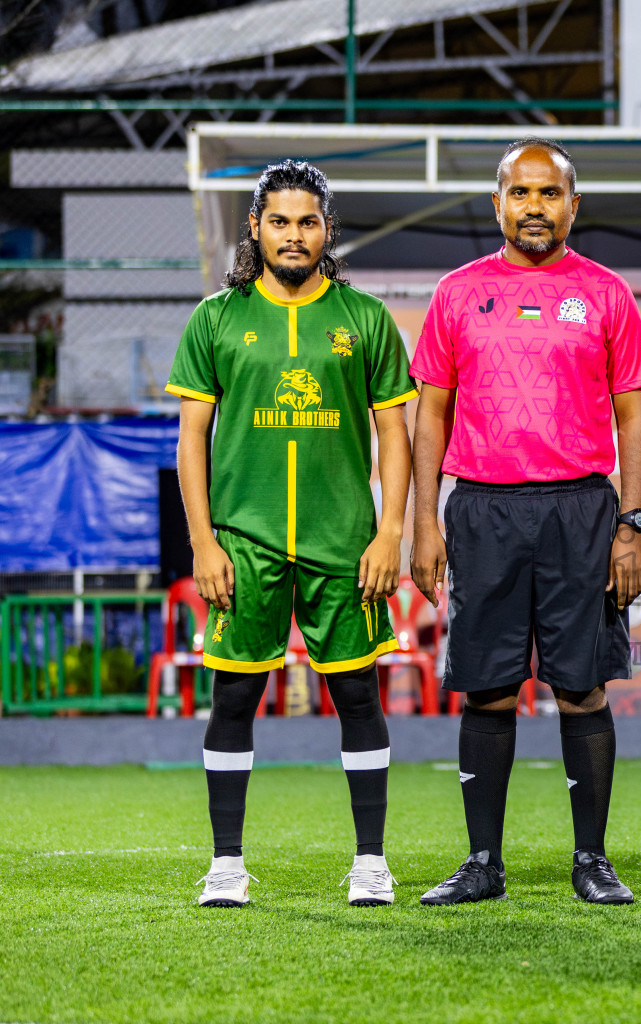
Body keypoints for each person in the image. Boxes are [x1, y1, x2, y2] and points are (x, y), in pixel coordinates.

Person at [410, 138, 641, 906]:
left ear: (573, 206)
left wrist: (634, 525)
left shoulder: (607, 293)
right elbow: (431, 417)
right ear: (498, 204)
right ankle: (484, 862)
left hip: (581, 509)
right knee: (486, 689)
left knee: (581, 688)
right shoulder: (457, 293)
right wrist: (424, 522)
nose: (535, 208)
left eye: (550, 194)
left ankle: (592, 861)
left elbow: (634, 420)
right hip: (481, 508)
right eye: (521, 194)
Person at [167, 160, 416, 908]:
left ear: (327, 230)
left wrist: (390, 531)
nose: (294, 234)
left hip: (345, 544)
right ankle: (227, 866)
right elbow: (190, 442)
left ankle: (370, 863)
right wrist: (203, 543)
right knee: (234, 701)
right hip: (243, 544)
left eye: (308, 221)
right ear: (255, 227)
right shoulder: (216, 317)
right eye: (280, 220)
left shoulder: (364, 318)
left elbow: (395, 436)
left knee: (358, 698)